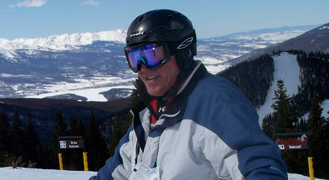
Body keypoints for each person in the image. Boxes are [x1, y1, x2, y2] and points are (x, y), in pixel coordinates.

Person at [90, 9, 288, 179]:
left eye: (152, 55)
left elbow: (259, 163)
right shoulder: (149, 114)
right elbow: (113, 173)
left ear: (182, 52)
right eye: (134, 58)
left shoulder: (214, 102)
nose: (142, 68)